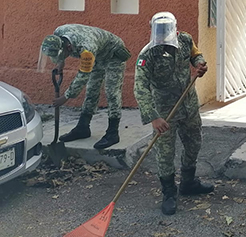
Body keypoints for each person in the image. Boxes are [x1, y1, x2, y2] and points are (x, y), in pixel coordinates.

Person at [134, 12, 213, 215]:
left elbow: (196, 54)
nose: (164, 42)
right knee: (165, 153)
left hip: (188, 105)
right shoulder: (147, 55)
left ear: (175, 30)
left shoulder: (185, 40)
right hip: (164, 112)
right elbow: (140, 87)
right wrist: (153, 116)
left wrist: (200, 64)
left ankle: (188, 183)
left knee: (194, 143)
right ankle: (169, 192)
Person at [38, 25, 131, 149]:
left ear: (69, 47)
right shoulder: (58, 33)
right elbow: (60, 52)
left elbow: (83, 76)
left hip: (113, 54)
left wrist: (65, 97)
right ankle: (83, 128)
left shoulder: (87, 48)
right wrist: (60, 63)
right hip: (98, 54)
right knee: (91, 90)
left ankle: (112, 133)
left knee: (112, 92)